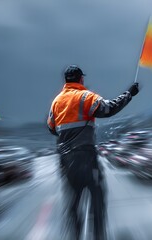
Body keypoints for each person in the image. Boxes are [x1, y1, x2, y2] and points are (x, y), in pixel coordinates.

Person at [47, 65, 139, 239]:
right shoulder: (86, 97)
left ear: (66, 80)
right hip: (86, 159)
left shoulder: (56, 102)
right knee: (96, 199)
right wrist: (129, 94)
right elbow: (109, 108)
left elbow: (51, 128)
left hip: (66, 162)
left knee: (73, 203)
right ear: (81, 79)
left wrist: (67, 132)